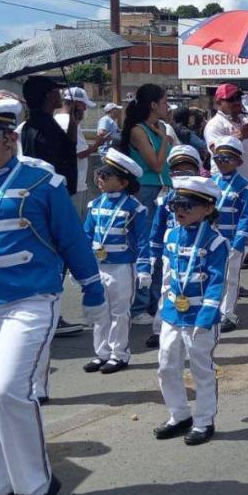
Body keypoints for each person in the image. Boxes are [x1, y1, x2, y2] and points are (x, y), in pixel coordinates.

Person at [0, 91, 106, 495]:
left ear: (11, 138)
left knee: (9, 391)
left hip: (32, 298)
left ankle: (36, 485)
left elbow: (72, 238)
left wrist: (92, 288)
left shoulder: (44, 183)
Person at [152, 176, 227, 446]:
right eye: (176, 205)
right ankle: (179, 414)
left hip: (199, 316)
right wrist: (162, 309)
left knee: (201, 369)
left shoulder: (216, 242)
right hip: (174, 312)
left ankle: (204, 420)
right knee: (166, 365)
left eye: (188, 205)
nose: (180, 210)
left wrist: (207, 315)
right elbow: (169, 276)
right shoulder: (171, 235)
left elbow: (218, 281)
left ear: (208, 208)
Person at [19, 75, 82, 338]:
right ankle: (49, 314)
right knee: (55, 257)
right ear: (47, 96)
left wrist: (74, 124)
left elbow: (66, 148)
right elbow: (53, 163)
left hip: (47, 198)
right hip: (48, 201)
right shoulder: (40, 127)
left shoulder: (40, 124)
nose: (61, 95)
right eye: (56, 91)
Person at [82, 148, 150, 374]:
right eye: (99, 174)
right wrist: (81, 267)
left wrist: (143, 268)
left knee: (120, 312)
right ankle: (100, 353)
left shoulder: (134, 207)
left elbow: (142, 241)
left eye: (106, 175)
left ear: (122, 183)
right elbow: (86, 236)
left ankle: (119, 353)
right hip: (98, 265)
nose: (99, 178)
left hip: (122, 266)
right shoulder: (95, 205)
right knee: (100, 311)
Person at [204, 83, 248, 260]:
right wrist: (241, 134)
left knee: (247, 234)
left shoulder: (244, 122)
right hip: (227, 185)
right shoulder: (215, 125)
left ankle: (237, 278)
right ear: (219, 102)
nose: (236, 102)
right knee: (229, 231)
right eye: (231, 99)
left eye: (238, 98)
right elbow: (218, 150)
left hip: (247, 185)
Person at [121, 83, 173, 326]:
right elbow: (155, 164)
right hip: (146, 189)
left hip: (164, 189)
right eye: (164, 102)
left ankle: (153, 301)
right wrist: (164, 140)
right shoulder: (138, 130)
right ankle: (139, 304)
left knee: (161, 246)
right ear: (153, 104)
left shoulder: (159, 127)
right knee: (146, 246)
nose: (168, 106)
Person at [143, 144, 204, 348]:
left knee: (194, 289)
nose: (181, 174)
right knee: (165, 288)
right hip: (170, 252)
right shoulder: (165, 200)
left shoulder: (204, 200)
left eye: (187, 170)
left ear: (197, 171)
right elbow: (156, 229)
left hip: (194, 252)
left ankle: (192, 327)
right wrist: (152, 254)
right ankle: (160, 328)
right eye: (177, 170)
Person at [210, 136, 248, 333]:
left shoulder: (245, 186)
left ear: (239, 162)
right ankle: (213, 310)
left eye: (227, 159)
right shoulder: (211, 182)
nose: (221, 163)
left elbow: (245, 217)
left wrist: (239, 243)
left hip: (231, 239)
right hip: (211, 240)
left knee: (231, 277)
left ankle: (229, 314)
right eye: (218, 159)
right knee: (212, 276)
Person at [55, 87, 107, 220]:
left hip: (73, 182)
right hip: (73, 184)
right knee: (75, 223)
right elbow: (76, 153)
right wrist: (97, 145)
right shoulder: (67, 123)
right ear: (75, 104)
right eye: (84, 105)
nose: (85, 109)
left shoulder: (58, 120)